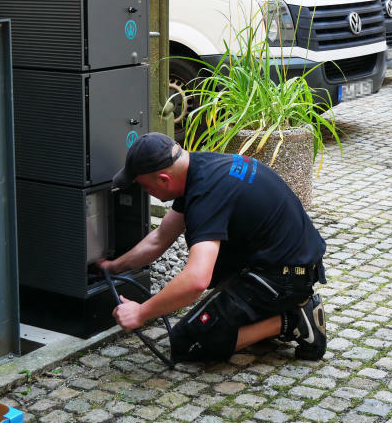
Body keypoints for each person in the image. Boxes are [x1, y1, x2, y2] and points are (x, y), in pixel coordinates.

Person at [96, 132, 327, 363]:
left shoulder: (206, 193)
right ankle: (269, 313)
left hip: (285, 277)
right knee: (215, 301)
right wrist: (114, 266)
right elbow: (160, 238)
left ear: (164, 179)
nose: (146, 193)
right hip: (276, 262)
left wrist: (141, 313)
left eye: (145, 187)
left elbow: (197, 280)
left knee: (189, 343)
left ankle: (293, 319)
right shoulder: (199, 168)